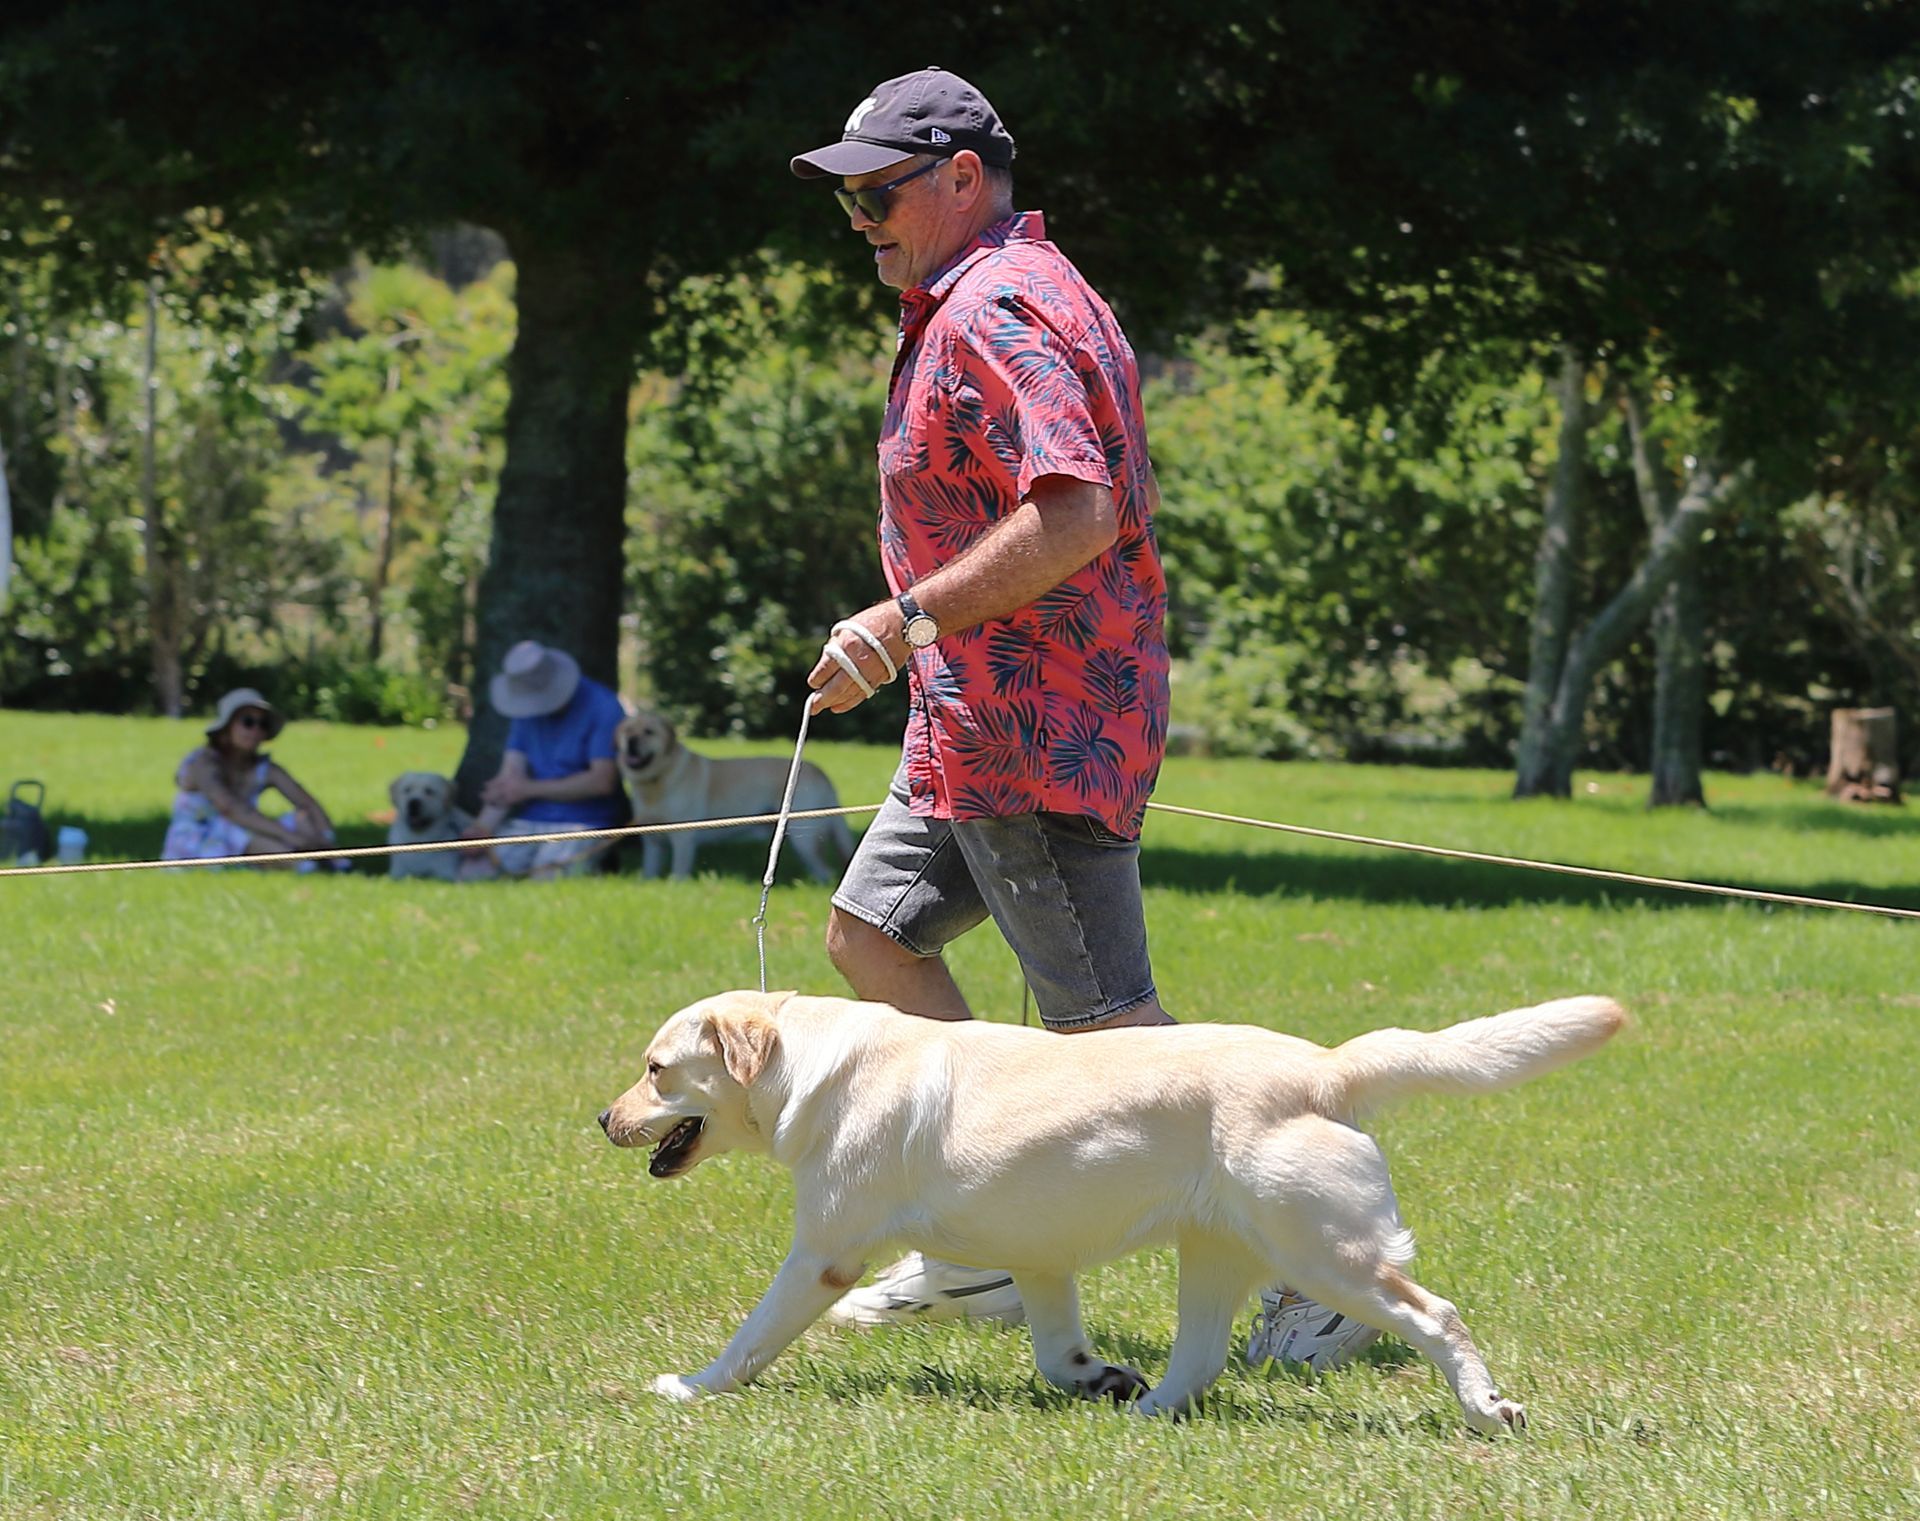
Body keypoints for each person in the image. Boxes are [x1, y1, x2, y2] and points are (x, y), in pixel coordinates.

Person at [790, 66, 1377, 1372]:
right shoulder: (987, 290)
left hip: (1037, 730)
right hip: (969, 725)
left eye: (880, 194)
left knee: (1117, 1047)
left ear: (960, 179)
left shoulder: (1001, 305)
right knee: (872, 936)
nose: (864, 221)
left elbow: (1076, 511)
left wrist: (901, 624)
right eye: (850, 201)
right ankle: (987, 1248)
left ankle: (1327, 1262)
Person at [459, 640, 627, 880]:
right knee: (473, 874)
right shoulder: (525, 709)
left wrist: (528, 790)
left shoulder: (603, 707)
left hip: (584, 822)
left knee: (546, 878)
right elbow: (510, 776)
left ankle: (599, 863)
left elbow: (602, 781)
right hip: (529, 821)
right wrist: (483, 828)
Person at [162, 688, 343, 869]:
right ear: (227, 727)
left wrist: (325, 838)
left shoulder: (265, 769)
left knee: (302, 819)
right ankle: (305, 866)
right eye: (247, 722)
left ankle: (328, 860)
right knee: (243, 832)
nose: (255, 730)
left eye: (262, 724)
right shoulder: (203, 763)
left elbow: (307, 803)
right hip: (197, 847)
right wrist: (290, 836)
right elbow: (230, 809)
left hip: (242, 836)